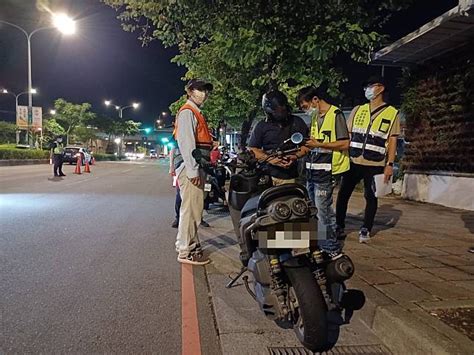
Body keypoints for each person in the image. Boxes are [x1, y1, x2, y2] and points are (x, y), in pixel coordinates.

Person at [336, 75, 400, 243]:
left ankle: (365, 229)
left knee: (370, 196)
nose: (368, 90)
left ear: (381, 88)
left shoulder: (392, 113)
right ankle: (339, 225)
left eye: (371, 86)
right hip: (353, 160)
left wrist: (389, 164)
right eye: (366, 87)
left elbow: (392, 140)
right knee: (343, 194)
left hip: (375, 163)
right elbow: (347, 135)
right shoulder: (358, 110)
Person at [296, 86, 350, 259]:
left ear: (315, 100)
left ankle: (332, 249)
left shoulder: (336, 115)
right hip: (313, 171)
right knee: (316, 210)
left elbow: (344, 144)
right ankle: (322, 242)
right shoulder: (315, 117)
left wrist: (319, 144)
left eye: (305, 106)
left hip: (327, 171)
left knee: (322, 211)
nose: (306, 110)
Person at [173, 79, 214, 265]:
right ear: (190, 91)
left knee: (193, 209)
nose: (204, 93)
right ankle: (185, 250)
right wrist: (193, 171)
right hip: (191, 169)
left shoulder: (195, 112)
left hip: (195, 168)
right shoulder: (188, 112)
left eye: (205, 90)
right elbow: (187, 143)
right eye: (200, 89)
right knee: (191, 210)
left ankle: (189, 244)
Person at [248, 90, 309, 185]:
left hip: (292, 176)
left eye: (283, 110)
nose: (281, 113)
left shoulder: (297, 122)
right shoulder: (261, 126)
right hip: (267, 177)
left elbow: (306, 145)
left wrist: (295, 156)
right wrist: (270, 159)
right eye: (277, 111)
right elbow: (253, 149)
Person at [170, 145, 211, 229]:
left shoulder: (207, 136)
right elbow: (173, 150)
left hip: (201, 167)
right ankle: (178, 218)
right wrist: (172, 166)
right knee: (180, 197)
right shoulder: (183, 133)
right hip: (185, 168)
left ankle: (199, 218)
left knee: (200, 197)